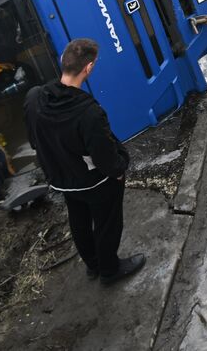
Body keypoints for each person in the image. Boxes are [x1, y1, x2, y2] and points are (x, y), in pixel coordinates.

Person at [24, 38, 145, 285]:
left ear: (62, 61)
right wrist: (119, 171)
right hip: (93, 182)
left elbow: (34, 139)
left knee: (78, 220)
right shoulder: (88, 112)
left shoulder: (35, 97)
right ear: (88, 68)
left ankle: (93, 265)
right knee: (107, 223)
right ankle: (110, 270)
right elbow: (103, 155)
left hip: (61, 179)